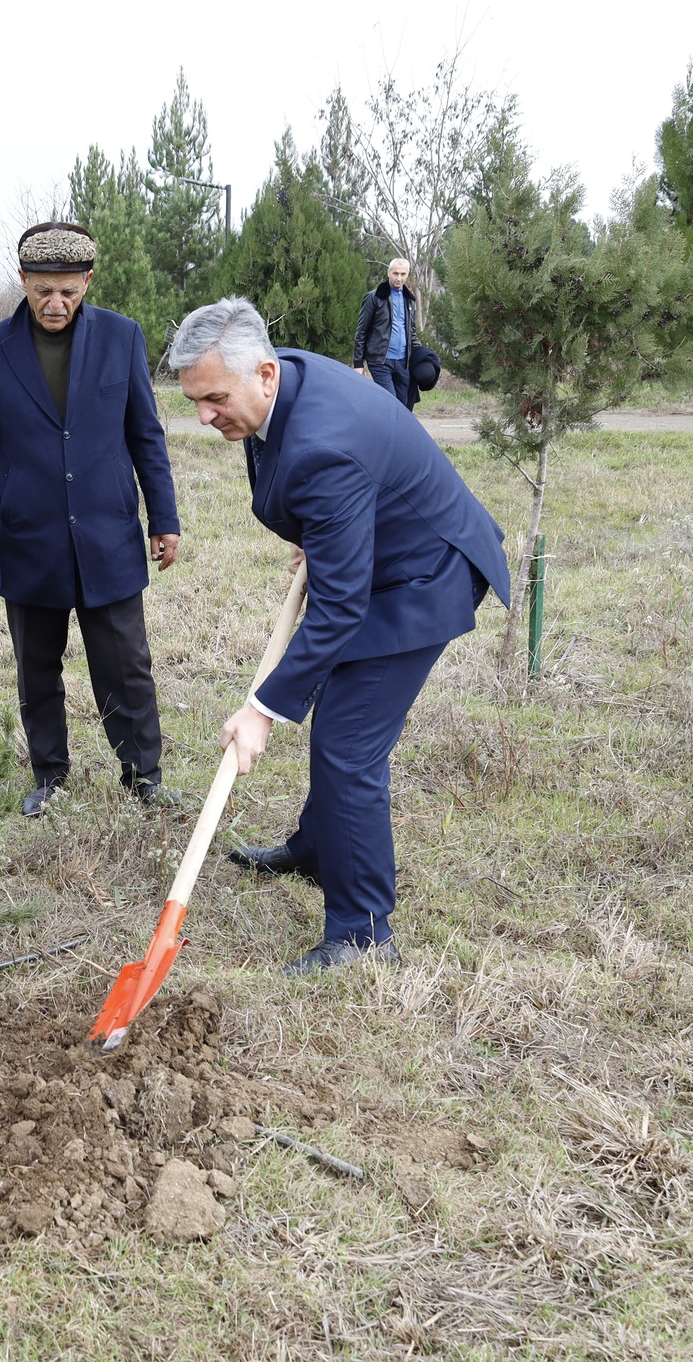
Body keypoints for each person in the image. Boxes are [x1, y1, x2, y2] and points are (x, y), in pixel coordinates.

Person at [168, 298, 510, 977]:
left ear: (264, 373)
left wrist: (262, 708)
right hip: (380, 557)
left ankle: (362, 934)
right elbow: (325, 500)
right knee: (338, 723)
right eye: (194, 401)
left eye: (214, 398)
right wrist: (327, 536)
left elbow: (339, 608)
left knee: (349, 743)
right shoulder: (283, 382)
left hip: (423, 576)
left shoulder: (323, 446)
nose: (203, 416)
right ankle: (320, 849)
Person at [0, 223, 182, 817]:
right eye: (43, 291)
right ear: (23, 281)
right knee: (36, 670)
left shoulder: (122, 337)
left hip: (109, 537)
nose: (55, 304)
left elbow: (146, 435)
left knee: (127, 666)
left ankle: (144, 775)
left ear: (87, 281)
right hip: (29, 542)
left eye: (68, 291)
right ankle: (49, 776)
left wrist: (164, 516)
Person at [352, 258, 420, 408]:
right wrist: (358, 363)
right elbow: (361, 331)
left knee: (403, 406)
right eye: (395, 273)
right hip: (380, 361)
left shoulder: (409, 300)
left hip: (403, 362)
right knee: (390, 404)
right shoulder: (374, 297)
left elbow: (411, 332)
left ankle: (384, 423)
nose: (399, 278)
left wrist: (421, 356)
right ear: (388, 272)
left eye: (403, 274)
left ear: (408, 274)